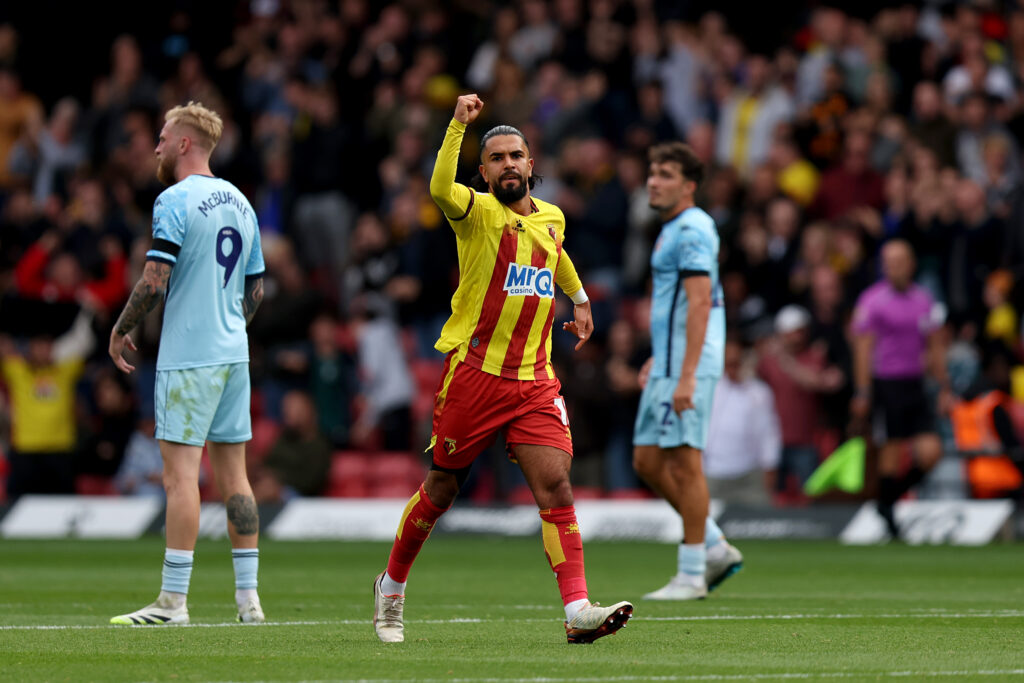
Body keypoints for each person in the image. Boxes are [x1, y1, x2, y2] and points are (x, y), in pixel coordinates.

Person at [372, 94, 632, 645]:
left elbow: (556, 254)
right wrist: (457, 125)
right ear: (484, 170)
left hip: (534, 380)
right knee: (441, 488)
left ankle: (578, 609)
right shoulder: (476, 213)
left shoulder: (553, 216)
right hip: (475, 376)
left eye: (517, 155)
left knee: (556, 486)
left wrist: (580, 298)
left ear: (531, 165)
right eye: (496, 158)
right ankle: (391, 588)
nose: (508, 164)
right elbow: (439, 187)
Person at [107, 101, 266, 626]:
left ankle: (173, 602)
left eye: (161, 136)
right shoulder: (242, 203)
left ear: (182, 143)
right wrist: (229, 325)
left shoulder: (174, 198)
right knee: (236, 479)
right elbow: (256, 288)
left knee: (180, 479)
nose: (155, 146)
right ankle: (249, 601)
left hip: (189, 354)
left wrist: (122, 327)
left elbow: (155, 277)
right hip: (232, 355)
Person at [632, 141, 743, 601]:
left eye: (666, 174)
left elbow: (701, 303)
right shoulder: (672, 228)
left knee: (685, 461)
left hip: (690, 365)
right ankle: (715, 543)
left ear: (689, 185)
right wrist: (661, 355)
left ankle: (693, 571)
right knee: (647, 460)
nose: (654, 181)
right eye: (652, 172)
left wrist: (687, 374)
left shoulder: (694, 228)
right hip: (672, 360)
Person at [850, 239, 950, 539]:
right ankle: (890, 513)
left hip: (915, 382)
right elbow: (863, 349)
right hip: (886, 383)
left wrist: (944, 386)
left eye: (898, 261)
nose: (892, 267)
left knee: (931, 451)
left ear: (911, 264)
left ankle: (887, 499)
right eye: (888, 262)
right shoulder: (872, 301)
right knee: (891, 451)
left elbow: (935, 347)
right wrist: (863, 390)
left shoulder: (924, 300)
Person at [704, 338, 781, 505]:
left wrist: (770, 466)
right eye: (728, 363)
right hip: (713, 472)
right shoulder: (710, 389)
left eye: (736, 362)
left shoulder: (759, 392)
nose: (733, 368)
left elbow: (768, 432)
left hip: (749, 473)